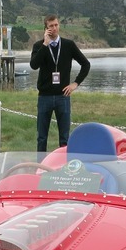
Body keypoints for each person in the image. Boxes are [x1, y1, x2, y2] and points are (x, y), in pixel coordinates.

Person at [29, 14, 90, 153]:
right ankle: (41, 166)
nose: (54, 28)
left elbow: (86, 64)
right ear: (46, 28)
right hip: (44, 96)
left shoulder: (68, 45)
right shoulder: (39, 45)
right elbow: (34, 65)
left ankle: (64, 167)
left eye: (56, 25)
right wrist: (45, 44)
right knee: (42, 137)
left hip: (63, 96)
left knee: (64, 138)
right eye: (51, 26)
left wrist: (75, 84)